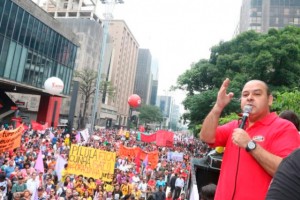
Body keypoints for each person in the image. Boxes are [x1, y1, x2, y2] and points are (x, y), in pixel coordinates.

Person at [199, 79, 300, 200]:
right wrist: (218, 107)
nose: (250, 98)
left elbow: (288, 173)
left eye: (257, 94)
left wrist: (250, 145)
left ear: (270, 100)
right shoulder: (234, 125)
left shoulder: (284, 127)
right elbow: (206, 136)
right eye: (245, 95)